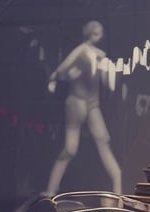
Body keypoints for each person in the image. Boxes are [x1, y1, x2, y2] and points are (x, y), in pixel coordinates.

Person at [45, 20, 121, 195]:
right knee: (70, 149)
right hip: (76, 102)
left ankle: (118, 186)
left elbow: (107, 82)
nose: (99, 36)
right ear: (89, 33)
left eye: (100, 33)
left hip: (93, 105)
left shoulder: (100, 54)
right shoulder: (81, 50)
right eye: (96, 32)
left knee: (103, 142)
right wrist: (55, 78)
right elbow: (63, 67)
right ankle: (50, 191)